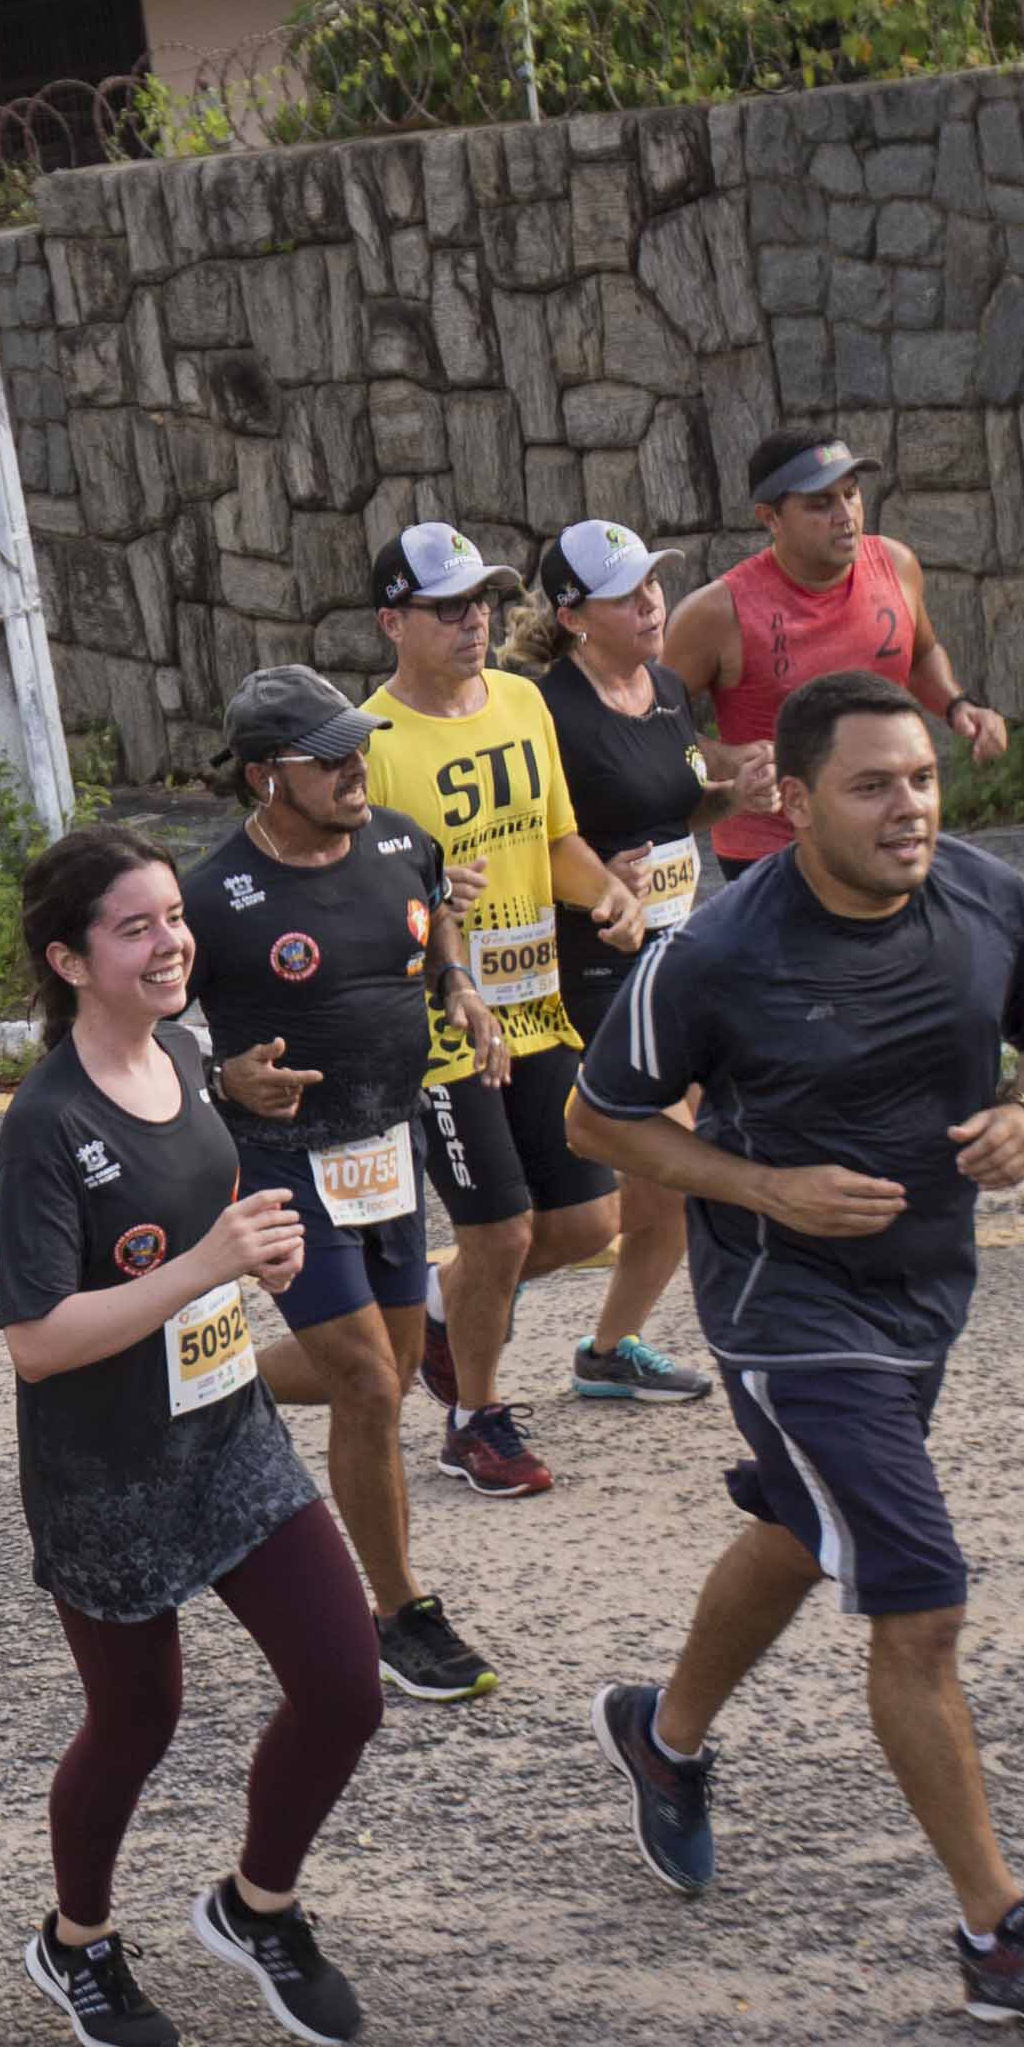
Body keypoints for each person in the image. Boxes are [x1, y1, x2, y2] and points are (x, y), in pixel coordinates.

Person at [572, 670, 1024, 2037]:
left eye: (922, 779)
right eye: (874, 785)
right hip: (788, 1312)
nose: (910, 808)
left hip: (923, 1293)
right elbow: (599, 1120)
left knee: (799, 1524)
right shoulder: (715, 953)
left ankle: (662, 1734)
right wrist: (765, 1187)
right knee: (917, 1595)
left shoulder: (989, 898)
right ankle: (997, 1934)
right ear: (795, 798)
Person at [0, 827, 388, 2047]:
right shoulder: (47, 1123)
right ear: (69, 959)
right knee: (136, 1721)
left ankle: (258, 1904)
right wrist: (208, 1263)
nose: (170, 943)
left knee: (345, 1684)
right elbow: (38, 1341)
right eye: (136, 927)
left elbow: (188, 1219)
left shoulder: (181, 1051)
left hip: (228, 1436)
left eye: (174, 916)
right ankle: (77, 1938)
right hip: (106, 1473)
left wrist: (246, 1248)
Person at [185, 665, 507, 1705]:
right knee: (369, 1383)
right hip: (281, 1163)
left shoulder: (403, 843)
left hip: (386, 1150)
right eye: (328, 758)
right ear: (263, 777)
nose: (354, 768)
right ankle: (399, 1611)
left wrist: (458, 984)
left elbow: (433, 916)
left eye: (357, 746)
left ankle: (208, 1383)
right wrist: (217, 1078)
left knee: (392, 1372)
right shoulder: (209, 897)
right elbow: (135, 1021)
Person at [361, 522, 644, 1498]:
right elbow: (354, 899)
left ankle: (442, 1307)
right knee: (502, 1234)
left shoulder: (523, 702)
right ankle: (474, 1420)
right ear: (392, 623)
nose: (473, 621)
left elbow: (554, 838)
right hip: (441, 1030)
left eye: (479, 601)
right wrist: (430, 901)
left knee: (589, 1221)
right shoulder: (370, 744)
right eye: (447, 608)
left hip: (537, 1007)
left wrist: (607, 892)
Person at [515, 520, 726, 1403]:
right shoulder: (547, 713)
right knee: (662, 1169)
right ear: (572, 617)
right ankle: (468, 1289)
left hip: (675, 957)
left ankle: (608, 1350)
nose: (650, 604)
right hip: (593, 972)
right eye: (625, 594)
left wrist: (731, 797)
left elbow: (674, 810)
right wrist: (602, 881)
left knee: (665, 1188)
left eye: (653, 585)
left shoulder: (667, 686)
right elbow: (528, 844)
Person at [663, 432, 1012, 882]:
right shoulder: (716, 613)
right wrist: (729, 760)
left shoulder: (896, 564)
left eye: (851, 494)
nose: (846, 515)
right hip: (773, 856)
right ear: (771, 518)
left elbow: (920, 654)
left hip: (887, 834)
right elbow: (654, 725)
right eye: (820, 504)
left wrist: (958, 706)